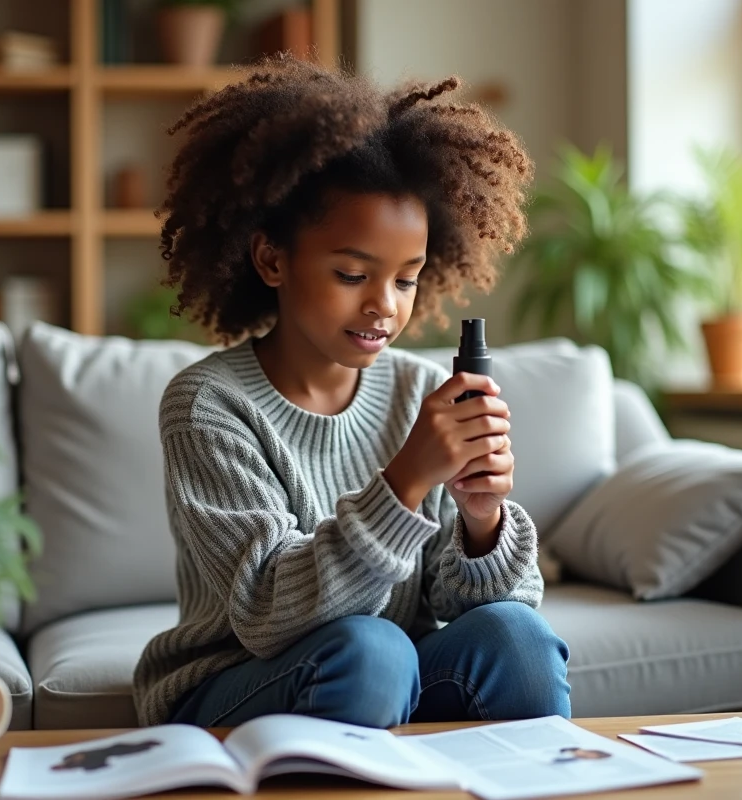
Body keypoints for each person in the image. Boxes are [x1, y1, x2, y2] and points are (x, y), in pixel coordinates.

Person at [131, 55, 571, 730]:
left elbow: (483, 602)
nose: (383, 308)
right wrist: (405, 482)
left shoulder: (423, 390)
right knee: (372, 653)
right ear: (272, 258)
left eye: (404, 280)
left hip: (391, 669)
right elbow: (268, 615)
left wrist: (482, 520)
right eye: (350, 273)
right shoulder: (208, 406)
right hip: (239, 680)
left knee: (520, 641)